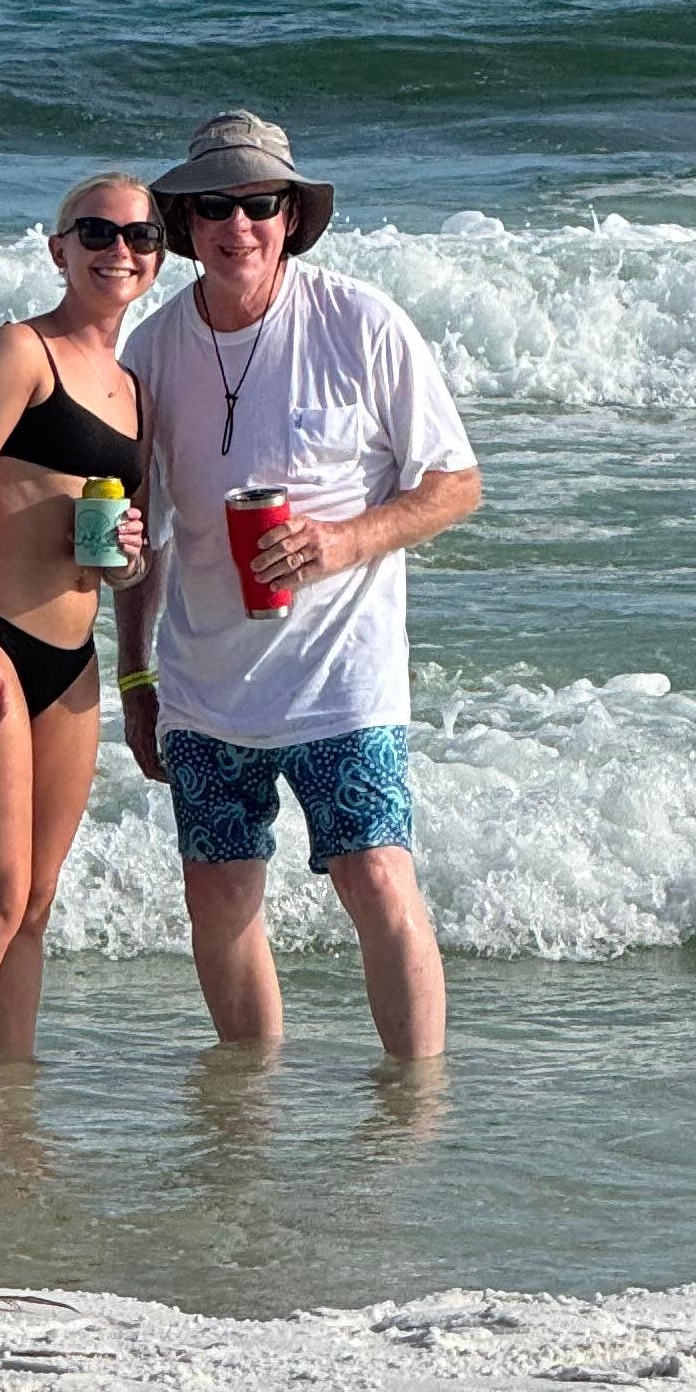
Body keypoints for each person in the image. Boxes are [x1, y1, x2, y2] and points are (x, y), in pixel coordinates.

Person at [114, 111, 479, 1060]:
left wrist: (345, 541)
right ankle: (246, 1111)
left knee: (375, 876)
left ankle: (414, 1108)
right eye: (218, 207)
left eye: (261, 205)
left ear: (291, 216)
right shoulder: (149, 354)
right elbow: (136, 534)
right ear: (187, 223)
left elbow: (454, 484)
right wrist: (134, 679)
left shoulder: (360, 321)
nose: (240, 227)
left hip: (341, 684)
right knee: (219, 897)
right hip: (201, 685)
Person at [0, 172, 162, 1067]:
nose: (116, 250)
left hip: (71, 662)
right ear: (59, 249)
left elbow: (124, 559)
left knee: (39, 901)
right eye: (95, 232)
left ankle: (10, 1091)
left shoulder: (135, 390)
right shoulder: (20, 353)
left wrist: (127, 561)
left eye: (137, 236)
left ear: (156, 261)